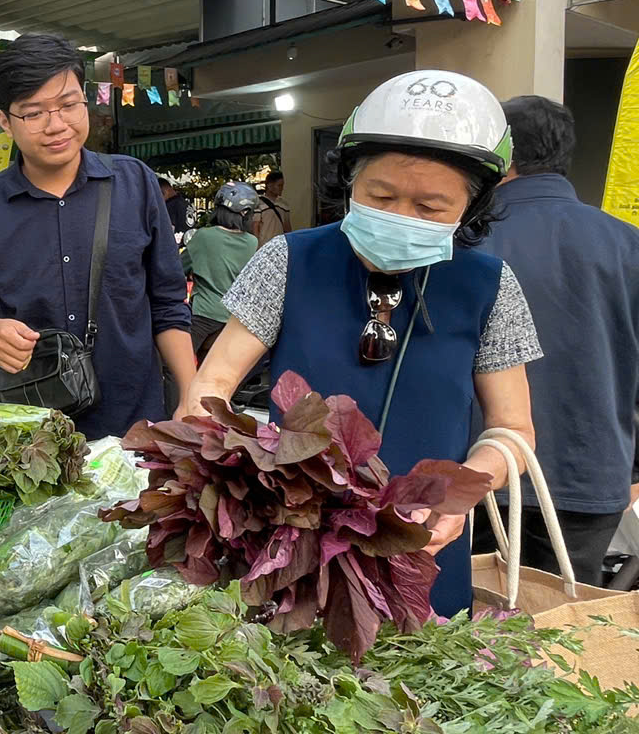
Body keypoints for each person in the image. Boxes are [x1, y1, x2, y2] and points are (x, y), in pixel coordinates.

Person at [177, 70, 543, 618]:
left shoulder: (490, 286)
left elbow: (514, 431)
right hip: (288, 546)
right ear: (349, 179)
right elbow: (211, 388)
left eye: (430, 208)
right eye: (381, 194)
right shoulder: (288, 260)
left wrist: (462, 492)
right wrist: (235, 474)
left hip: (424, 549)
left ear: (472, 205)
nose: (401, 216)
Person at [0, 33, 195, 440]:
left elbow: (168, 301)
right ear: (6, 122)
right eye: (34, 113)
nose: (56, 125)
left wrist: (190, 392)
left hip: (133, 422)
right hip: (29, 430)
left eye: (68, 105)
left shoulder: (134, 183)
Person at [470, 96, 639, 586]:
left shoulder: (462, 244)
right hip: (594, 474)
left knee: (460, 636)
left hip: (477, 471)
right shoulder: (628, 245)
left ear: (500, 158)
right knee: (559, 636)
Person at [182, 181, 259, 363]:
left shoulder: (204, 236)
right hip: (232, 320)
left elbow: (177, 270)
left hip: (202, 315)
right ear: (245, 214)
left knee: (174, 365)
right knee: (210, 371)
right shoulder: (252, 242)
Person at [253, 170, 291, 244]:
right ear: (270, 185)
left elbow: (287, 227)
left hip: (279, 245)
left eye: (282, 185)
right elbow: (255, 226)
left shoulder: (284, 204)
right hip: (264, 245)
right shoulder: (259, 203)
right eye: (279, 185)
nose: (282, 188)